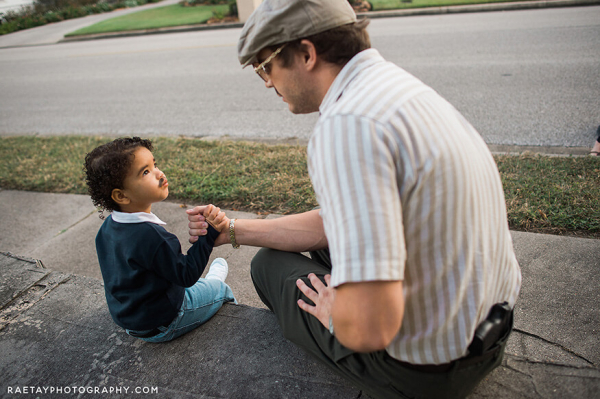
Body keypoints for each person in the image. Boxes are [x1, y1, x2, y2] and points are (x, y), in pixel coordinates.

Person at [188, 0, 522, 397]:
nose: (266, 83)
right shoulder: (392, 86)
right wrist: (234, 231)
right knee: (311, 249)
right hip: (488, 329)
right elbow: (336, 223)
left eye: (266, 67)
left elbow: (369, 329)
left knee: (268, 266)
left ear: (307, 53)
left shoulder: (344, 126)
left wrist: (338, 314)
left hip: (428, 371)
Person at [84, 137, 235, 343]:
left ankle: (208, 283)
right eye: (145, 172)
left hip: (131, 320)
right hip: (165, 321)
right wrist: (208, 236)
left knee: (183, 279)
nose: (159, 173)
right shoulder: (152, 237)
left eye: (154, 164)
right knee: (220, 290)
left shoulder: (108, 228)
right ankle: (220, 294)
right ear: (121, 196)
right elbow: (186, 275)